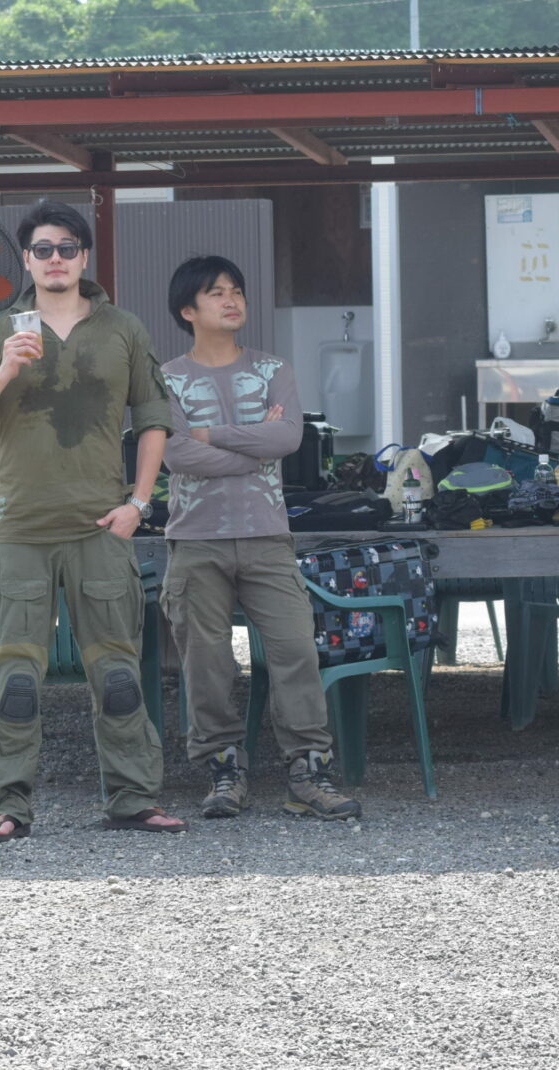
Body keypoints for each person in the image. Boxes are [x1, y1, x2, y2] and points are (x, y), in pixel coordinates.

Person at [0, 199, 187, 840]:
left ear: (84, 257)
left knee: (118, 674)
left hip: (100, 526)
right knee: (15, 679)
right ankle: (8, 805)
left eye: (67, 248)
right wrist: (6, 369)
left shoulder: (123, 328)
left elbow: (154, 419)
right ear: (26, 260)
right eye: (43, 249)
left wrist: (139, 503)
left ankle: (134, 799)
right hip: (20, 528)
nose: (56, 259)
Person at [159, 255, 360, 821]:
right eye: (216, 293)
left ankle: (308, 772)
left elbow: (288, 438)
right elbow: (176, 454)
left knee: (296, 650)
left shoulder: (273, 369)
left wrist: (210, 434)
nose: (232, 301)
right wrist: (251, 446)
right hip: (195, 538)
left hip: (268, 535)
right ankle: (223, 770)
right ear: (187, 310)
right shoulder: (165, 377)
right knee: (206, 661)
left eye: (237, 291)